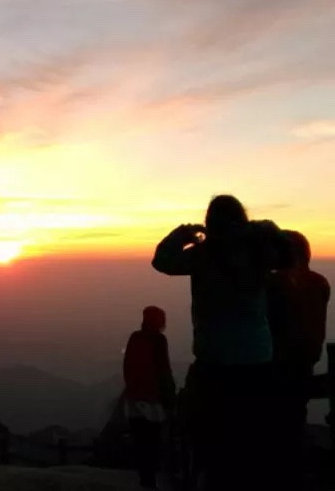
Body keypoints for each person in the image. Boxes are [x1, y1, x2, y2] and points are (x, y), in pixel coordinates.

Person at [151, 195, 291, 491]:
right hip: (256, 358)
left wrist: (184, 233)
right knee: (252, 435)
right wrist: (267, 229)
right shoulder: (258, 252)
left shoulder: (203, 255)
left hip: (214, 360)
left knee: (214, 437)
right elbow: (289, 256)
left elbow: (161, 260)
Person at [267, 230, 330, 490]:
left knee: (276, 425)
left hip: (276, 364)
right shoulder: (320, 282)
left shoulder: (275, 284)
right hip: (306, 361)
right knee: (294, 419)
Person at [123, 306, 176, 489]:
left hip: (133, 400)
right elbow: (164, 371)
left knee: (140, 442)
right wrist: (170, 398)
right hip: (152, 400)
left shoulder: (134, 338)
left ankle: (145, 479)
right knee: (153, 442)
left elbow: (127, 367)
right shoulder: (158, 340)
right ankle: (151, 480)